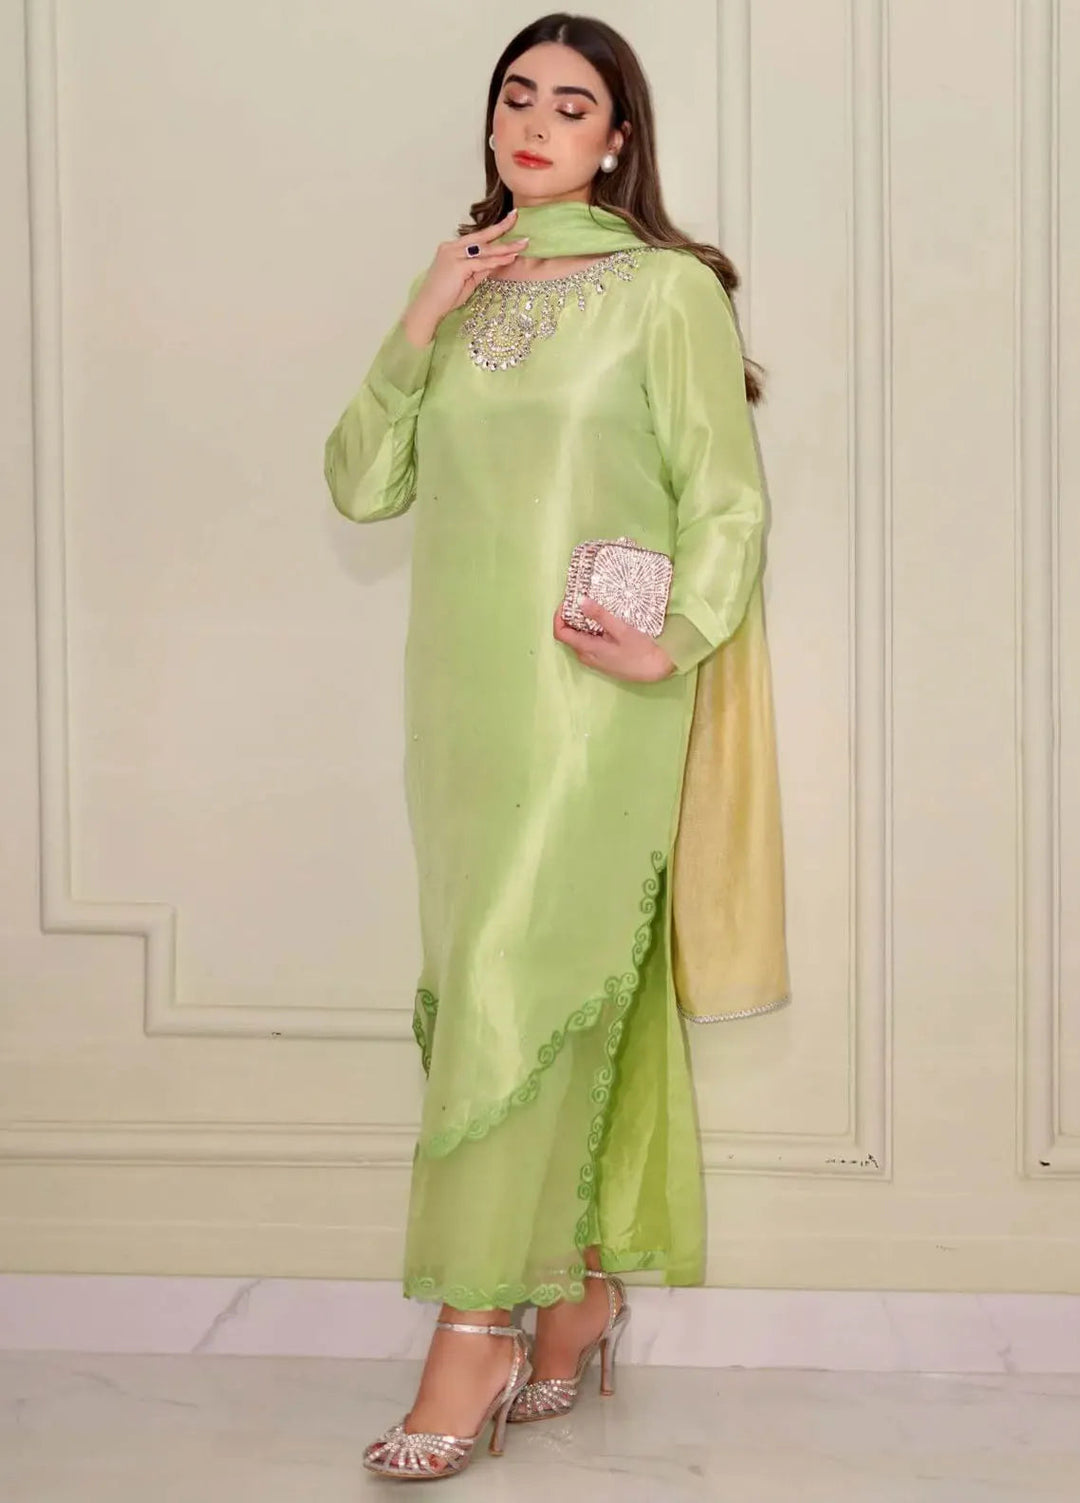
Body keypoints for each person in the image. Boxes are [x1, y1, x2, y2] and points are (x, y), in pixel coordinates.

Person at [323, 11, 787, 1482]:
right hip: (462, 709)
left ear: (618, 138)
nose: (533, 123)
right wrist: (422, 314)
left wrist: (679, 636)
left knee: (518, 984)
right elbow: (361, 485)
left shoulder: (665, 292)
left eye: (570, 105)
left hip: (592, 710)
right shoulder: (461, 290)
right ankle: (577, 1294)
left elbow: (727, 497)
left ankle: (474, 1330)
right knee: (495, 989)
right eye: (515, 97)